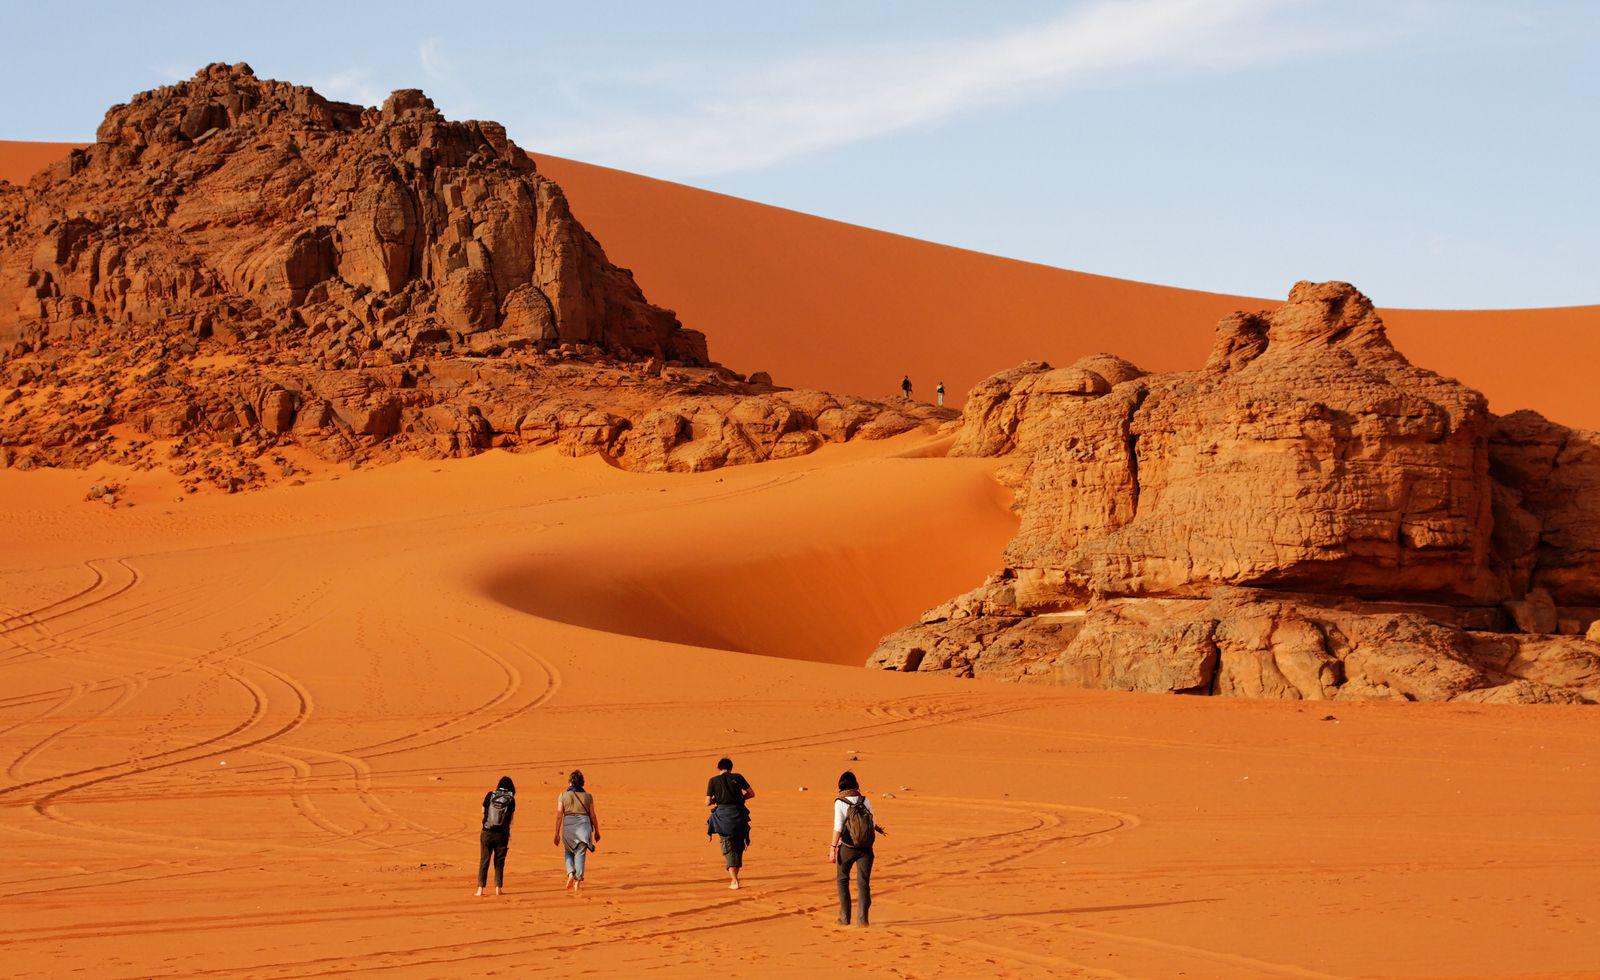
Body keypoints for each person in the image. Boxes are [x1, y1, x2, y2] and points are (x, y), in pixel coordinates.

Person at [829, 770, 886, 926]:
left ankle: (844, 918)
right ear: (856, 784)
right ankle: (863, 920)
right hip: (866, 848)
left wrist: (833, 848)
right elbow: (872, 821)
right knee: (863, 883)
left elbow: (838, 827)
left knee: (842, 880)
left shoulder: (840, 802)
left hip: (847, 847)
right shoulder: (865, 800)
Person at [705, 757, 755, 889]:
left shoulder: (713, 781)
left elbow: (707, 802)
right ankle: (735, 878)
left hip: (723, 818)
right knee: (738, 847)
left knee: (728, 847)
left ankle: (734, 880)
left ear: (718, 768)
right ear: (731, 768)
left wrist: (716, 799)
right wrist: (740, 799)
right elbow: (751, 793)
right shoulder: (738, 777)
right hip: (739, 816)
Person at [553, 770, 599, 892]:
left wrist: (556, 833)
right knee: (580, 854)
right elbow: (593, 816)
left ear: (570, 782)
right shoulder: (588, 797)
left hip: (568, 827)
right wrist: (597, 831)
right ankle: (578, 881)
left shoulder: (562, 796)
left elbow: (559, 816)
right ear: (582, 782)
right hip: (584, 827)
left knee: (568, 852)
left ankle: (570, 873)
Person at [476, 775, 516, 897]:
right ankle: (498, 888)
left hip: (487, 832)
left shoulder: (490, 795)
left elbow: (483, 811)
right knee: (499, 862)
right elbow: (511, 819)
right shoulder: (511, 799)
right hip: (502, 835)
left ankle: (480, 889)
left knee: (484, 860)